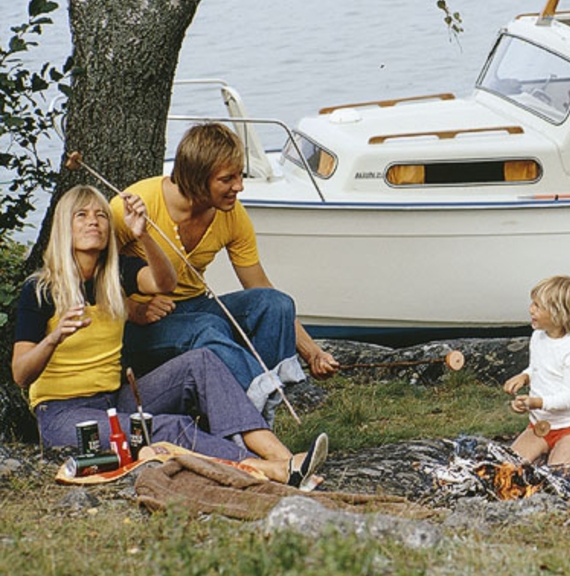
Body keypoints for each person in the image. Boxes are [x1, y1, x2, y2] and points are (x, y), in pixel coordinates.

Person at [12, 185, 328, 488]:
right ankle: (263, 468)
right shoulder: (40, 290)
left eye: (101, 215)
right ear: (64, 227)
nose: (93, 221)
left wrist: (144, 234)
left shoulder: (115, 274)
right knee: (168, 427)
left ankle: (284, 459)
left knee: (200, 362)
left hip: (113, 400)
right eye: (80, 215)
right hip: (63, 414)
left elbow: (164, 282)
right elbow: (21, 374)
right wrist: (54, 338)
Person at [109, 122, 339, 416]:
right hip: (140, 328)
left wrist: (312, 352)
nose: (239, 186)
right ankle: (253, 410)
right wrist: (133, 309)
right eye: (227, 179)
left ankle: (254, 412)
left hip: (194, 309)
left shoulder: (231, 214)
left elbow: (259, 287)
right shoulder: (133, 206)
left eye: (240, 175)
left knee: (276, 304)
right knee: (209, 327)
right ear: (196, 178)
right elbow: (84, 277)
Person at [503, 275, 570, 475]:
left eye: (538, 306)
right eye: (533, 303)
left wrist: (535, 402)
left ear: (559, 314)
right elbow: (538, 368)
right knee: (508, 468)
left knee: (554, 476)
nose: (531, 309)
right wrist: (524, 377)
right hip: (540, 426)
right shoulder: (537, 337)